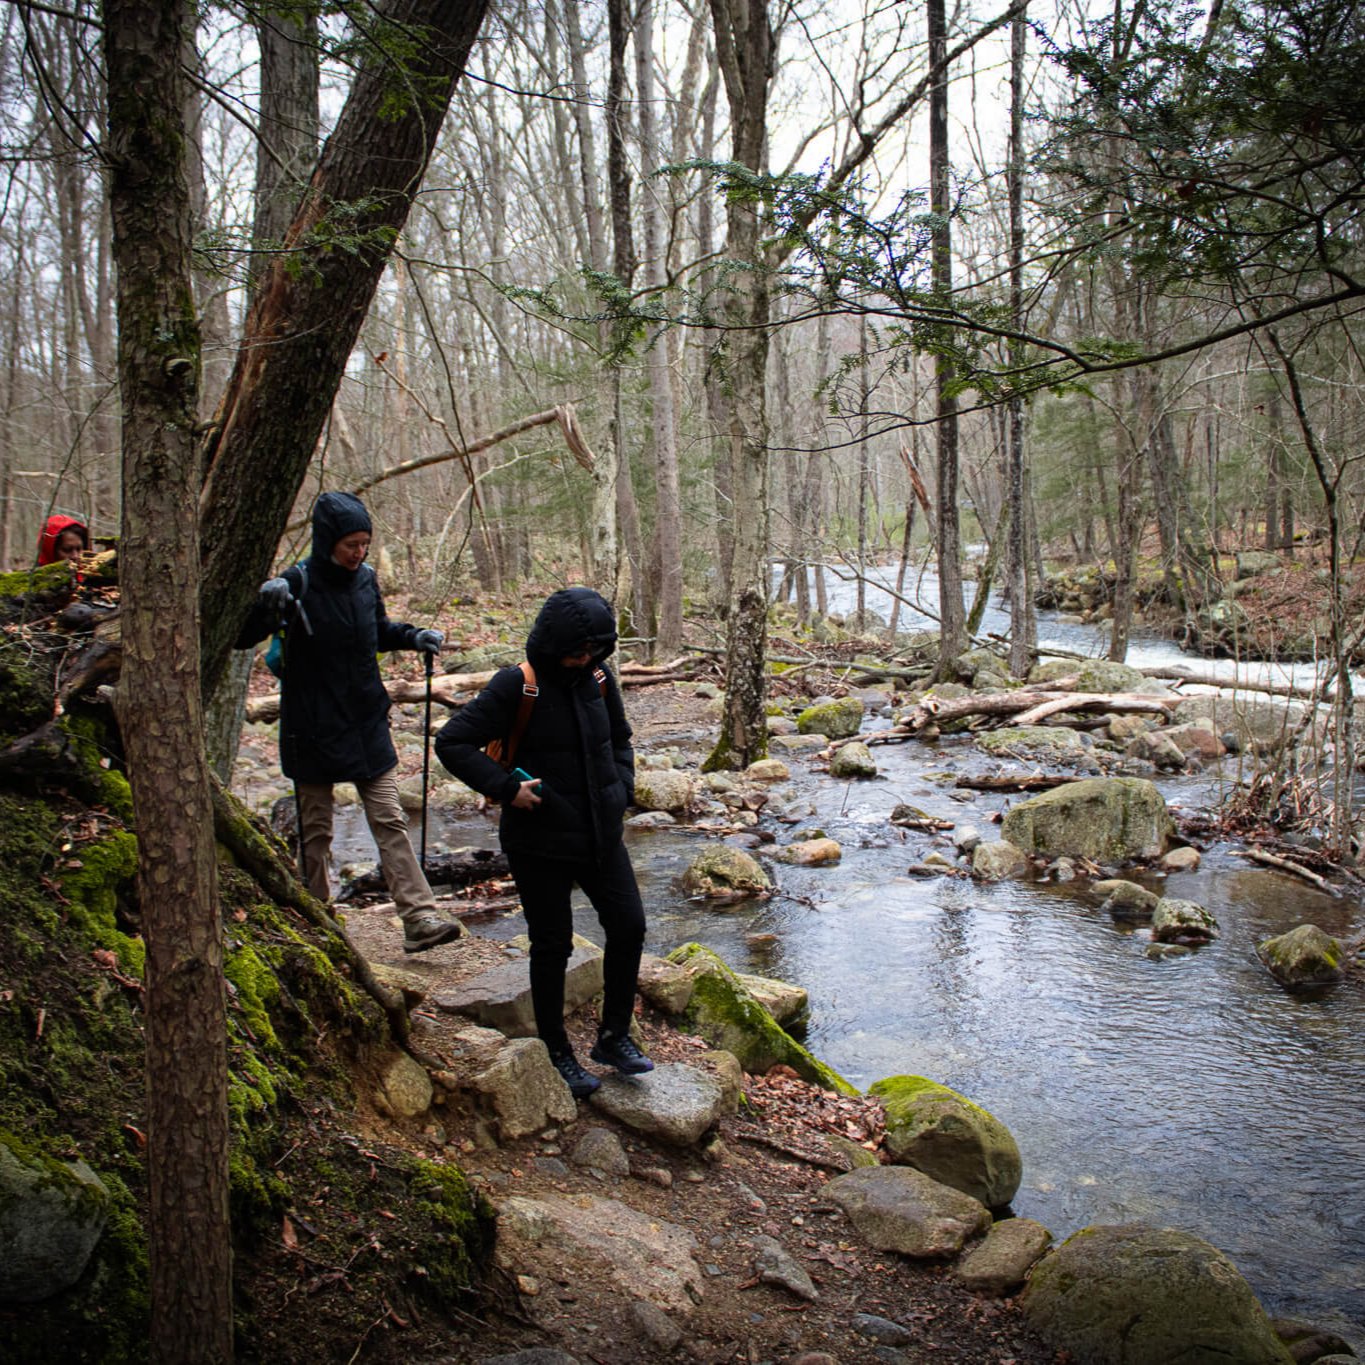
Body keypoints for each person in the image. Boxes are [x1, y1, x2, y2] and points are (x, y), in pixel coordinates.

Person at [435, 587, 651, 1097]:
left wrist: (623, 788)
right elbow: (452, 741)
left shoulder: (599, 678)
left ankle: (614, 1037)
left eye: (595, 650)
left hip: (602, 834)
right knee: (551, 945)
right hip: (539, 843)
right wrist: (507, 788)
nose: (586, 659)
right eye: (578, 650)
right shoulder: (518, 686)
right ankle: (557, 1051)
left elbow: (619, 739)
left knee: (630, 927)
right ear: (555, 643)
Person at [236, 491, 463, 954]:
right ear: (327, 541)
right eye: (350, 545)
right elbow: (242, 638)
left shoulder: (366, 580)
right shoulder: (294, 583)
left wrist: (413, 636)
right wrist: (266, 603)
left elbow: (377, 631)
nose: (358, 553)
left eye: (364, 543)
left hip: (364, 719)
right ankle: (318, 921)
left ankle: (419, 917)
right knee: (316, 830)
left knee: (390, 819)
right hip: (312, 725)